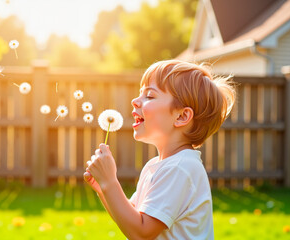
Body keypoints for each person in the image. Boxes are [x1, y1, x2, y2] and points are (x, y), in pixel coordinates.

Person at [84, 60, 236, 239]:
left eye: (149, 96)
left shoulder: (180, 168)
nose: (135, 101)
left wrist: (110, 183)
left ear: (181, 116)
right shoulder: (157, 165)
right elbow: (131, 217)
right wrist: (104, 189)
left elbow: (141, 232)